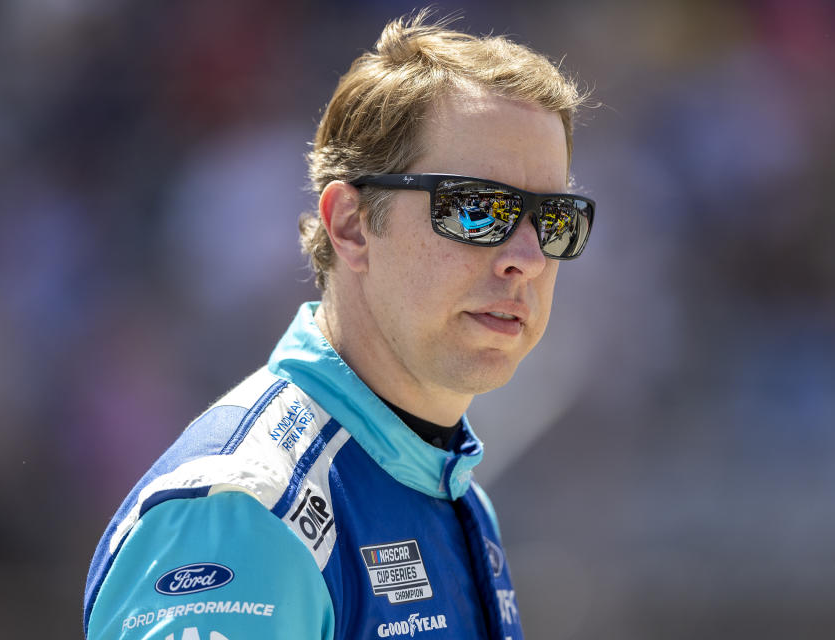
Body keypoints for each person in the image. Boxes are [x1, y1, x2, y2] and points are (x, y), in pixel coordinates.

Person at [83, 11, 594, 640]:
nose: (529, 257)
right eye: (476, 209)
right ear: (351, 226)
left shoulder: (454, 493)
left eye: (555, 219)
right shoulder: (248, 508)